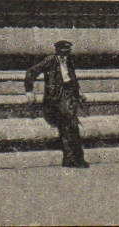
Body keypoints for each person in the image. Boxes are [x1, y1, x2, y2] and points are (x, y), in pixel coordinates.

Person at [25, 39, 89, 168]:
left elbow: (73, 79)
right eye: (62, 53)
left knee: (71, 125)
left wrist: (79, 92)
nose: (65, 56)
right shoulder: (50, 60)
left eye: (67, 53)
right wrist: (29, 90)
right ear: (57, 51)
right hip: (55, 98)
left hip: (68, 94)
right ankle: (74, 159)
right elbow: (31, 72)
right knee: (70, 123)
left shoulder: (69, 61)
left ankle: (72, 159)